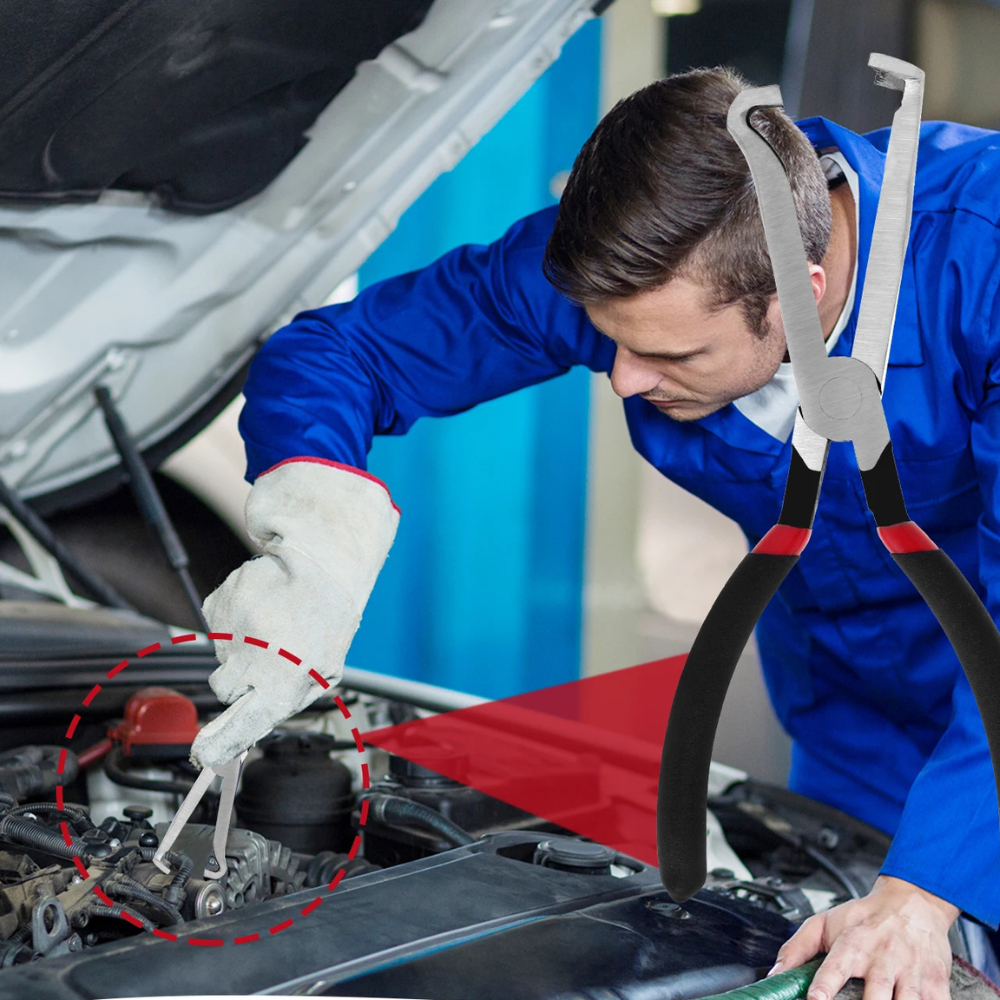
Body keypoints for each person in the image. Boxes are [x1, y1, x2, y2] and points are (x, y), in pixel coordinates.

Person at [189, 66, 1000, 998]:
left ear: (799, 294)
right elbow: (342, 351)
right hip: (845, 709)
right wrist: (314, 527)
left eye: (666, 355)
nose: (622, 379)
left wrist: (930, 884)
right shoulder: (645, 267)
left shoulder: (981, 265)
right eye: (611, 341)